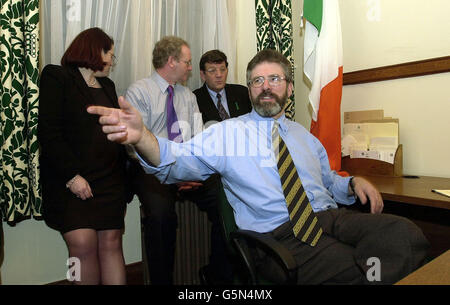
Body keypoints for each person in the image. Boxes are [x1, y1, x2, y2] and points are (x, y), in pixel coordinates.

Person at [88, 49, 430, 284]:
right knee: (354, 268)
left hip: (331, 216)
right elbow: (174, 161)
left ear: (290, 88)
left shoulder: (304, 136)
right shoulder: (227, 133)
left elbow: (328, 180)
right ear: (250, 90)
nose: (266, 87)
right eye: (257, 81)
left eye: (275, 79)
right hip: (282, 234)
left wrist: (354, 181)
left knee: (406, 236)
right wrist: (142, 136)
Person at [125, 36, 231, 284]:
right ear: (172, 62)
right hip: (152, 171)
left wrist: (192, 172)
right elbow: (133, 145)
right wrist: (170, 177)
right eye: (188, 62)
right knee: (160, 217)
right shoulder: (139, 92)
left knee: (226, 201)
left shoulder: (187, 96)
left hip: (186, 168)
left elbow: (197, 139)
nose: (191, 68)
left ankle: (217, 274)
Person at [38, 27, 132, 285]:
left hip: (109, 179)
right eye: (109, 54)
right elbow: (49, 132)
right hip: (71, 180)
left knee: (112, 244)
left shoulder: (108, 85)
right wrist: (72, 176)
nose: (112, 61)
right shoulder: (57, 77)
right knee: (80, 246)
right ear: (94, 51)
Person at [193, 49, 252, 126]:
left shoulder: (242, 92)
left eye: (222, 69)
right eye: (212, 71)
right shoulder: (195, 99)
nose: (219, 75)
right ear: (203, 75)